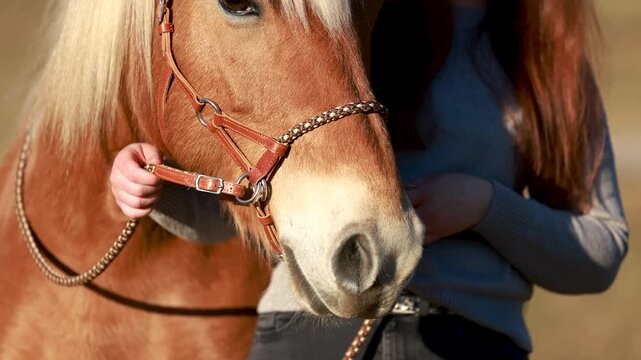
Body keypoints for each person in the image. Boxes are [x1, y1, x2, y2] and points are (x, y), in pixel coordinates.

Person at [110, 0, 629, 359]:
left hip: (471, 341)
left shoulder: (550, 67)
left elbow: (600, 251)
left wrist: (486, 207)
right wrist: (157, 191)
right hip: (308, 338)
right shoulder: (347, 25)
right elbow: (235, 215)